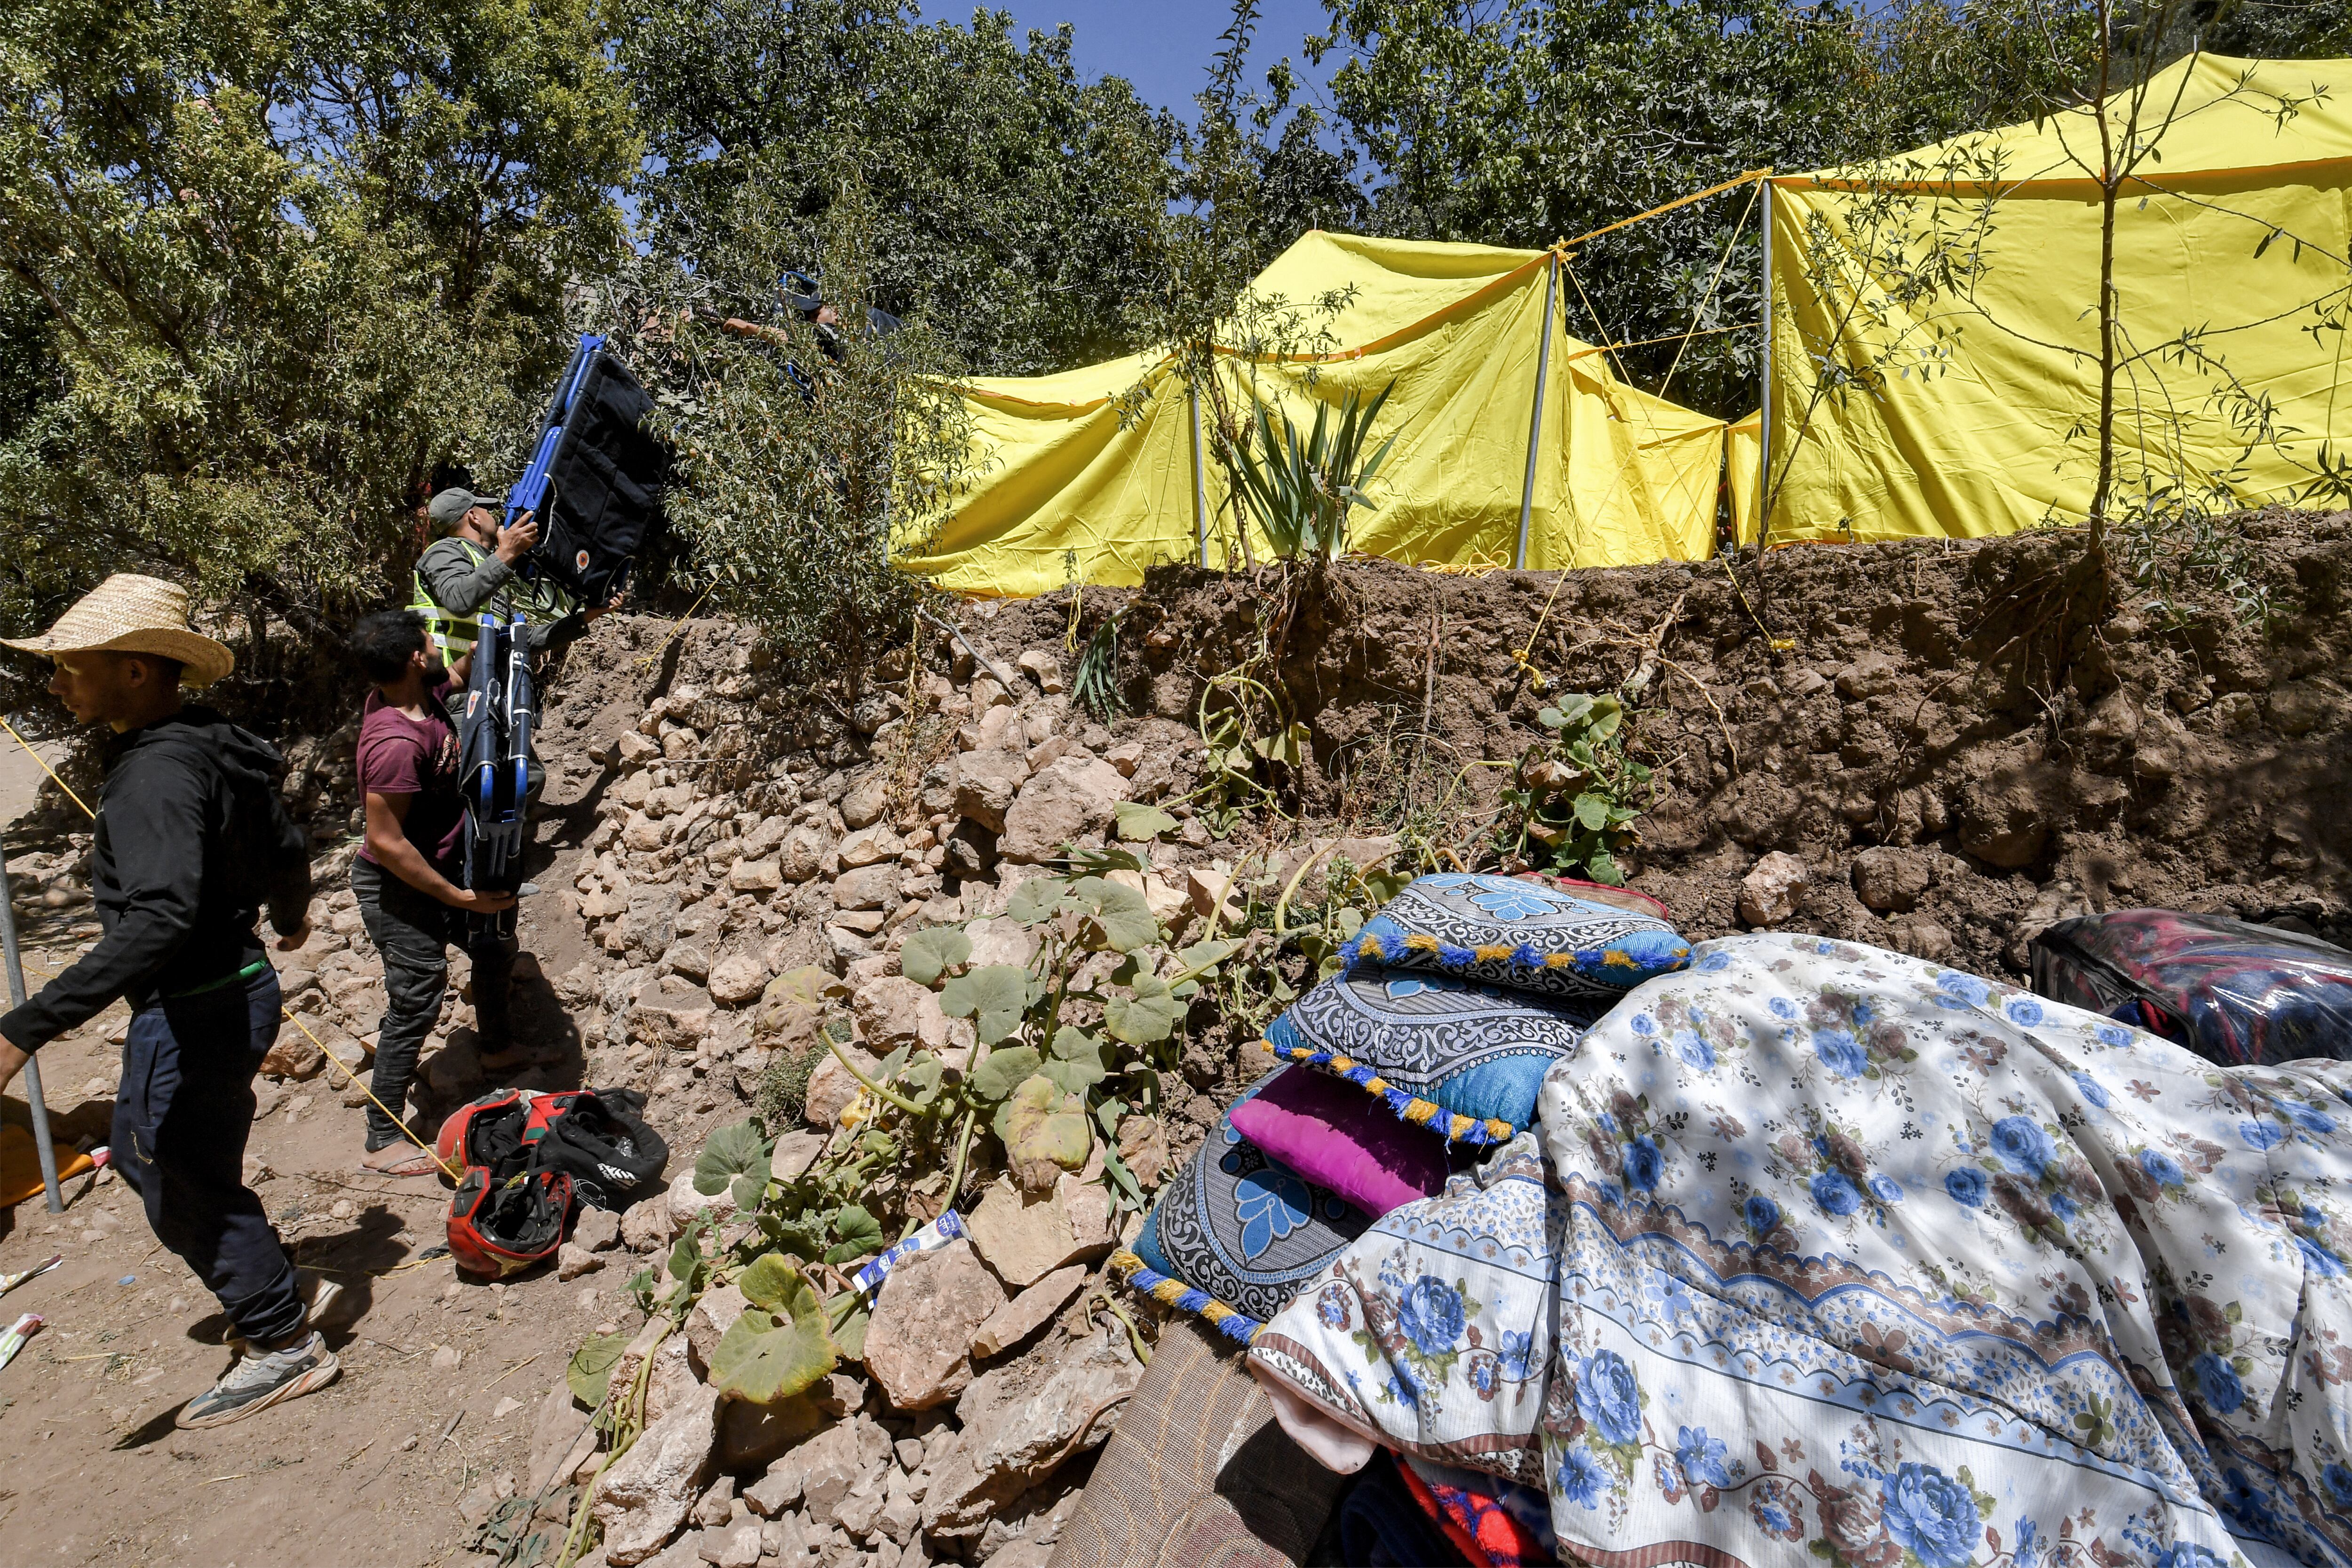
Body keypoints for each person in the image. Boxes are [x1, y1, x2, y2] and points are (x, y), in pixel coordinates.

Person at [0, 574, 335, 1429]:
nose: (55, 682)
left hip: (195, 1005)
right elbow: (285, 839)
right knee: (182, 1158)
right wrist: (290, 915)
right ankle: (269, 1285)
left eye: (71, 665)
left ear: (139, 670)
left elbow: (159, 916)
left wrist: (27, 1028)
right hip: (239, 987)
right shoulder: (214, 742)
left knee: (168, 1168)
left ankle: (281, 1340)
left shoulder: (155, 773)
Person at [346, 609, 520, 1177]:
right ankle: (380, 1137)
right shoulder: (394, 742)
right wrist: (455, 896)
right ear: (415, 660)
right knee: (418, 997)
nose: (439, 644)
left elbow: (466, 671)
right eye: (431, 640)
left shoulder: (420, 691)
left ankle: (497, 1051)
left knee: (493, 946)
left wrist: (503, 641)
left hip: (446, 870)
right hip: (401, 885)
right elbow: (387, 841)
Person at [409, 488, 614, 667]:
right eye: (486, 511)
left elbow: (519, 640)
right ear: (474, 517)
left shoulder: (488, 566)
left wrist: (587, 617)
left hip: (483, 689)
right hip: (449, 693)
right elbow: (460, 601)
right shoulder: (443, 551)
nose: (493, 516)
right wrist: (507, 553)